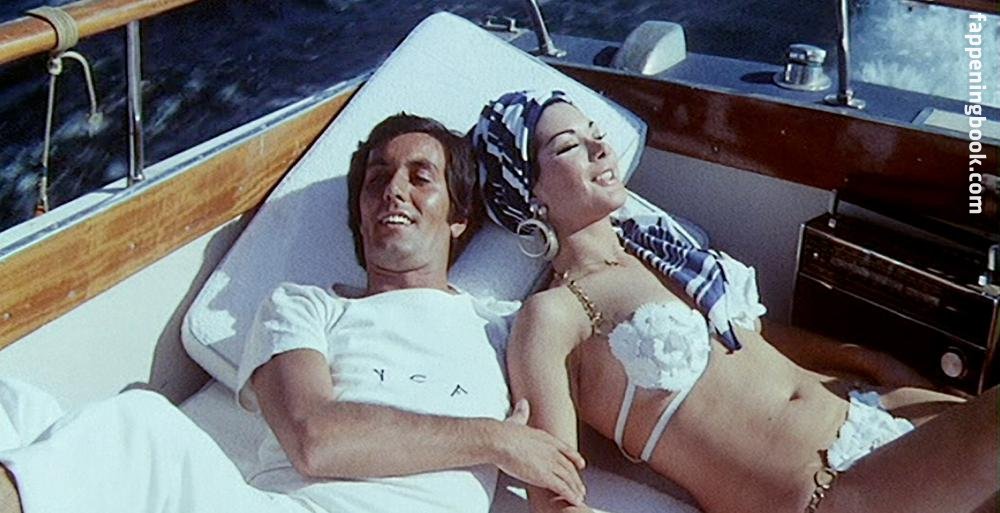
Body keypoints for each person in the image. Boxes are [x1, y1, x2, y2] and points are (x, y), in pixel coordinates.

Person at [0, 113, 586, 513]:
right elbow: (313, 438)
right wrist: (493, 440)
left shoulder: (503, 328)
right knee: (19, 406)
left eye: (420, 177)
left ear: (458, 216)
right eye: (377, 179)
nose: (393, 191)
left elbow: (564, 464)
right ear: (360, 215)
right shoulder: (303, 307)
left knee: (132, 427)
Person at [472, 90, 999, 513]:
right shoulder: (552, 316)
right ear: (529, 191)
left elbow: (745, 341)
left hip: (865, 410)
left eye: (597, 134)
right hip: (827, 488)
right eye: (569, 146)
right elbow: (553, 495)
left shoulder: (658, 248)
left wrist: (868, 361)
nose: (600, 149)